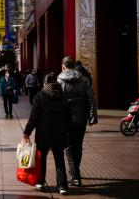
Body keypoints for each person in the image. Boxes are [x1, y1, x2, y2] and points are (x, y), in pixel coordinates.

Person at [23, 73, 70, 195]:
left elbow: (34, 117)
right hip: (59, 133)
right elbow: (68, 117)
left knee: (41, 158)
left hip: (43, 134)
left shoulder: (40, 96)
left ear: (45, 83)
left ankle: (40, 181)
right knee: (59, 159)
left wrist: (26, 132)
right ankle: (62, 186)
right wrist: (67, 131)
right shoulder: (63, 96)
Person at [57, 56, 98, 187]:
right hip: (81, 118)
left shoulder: (59, 80)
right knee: (78, 146)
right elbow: (91, 99)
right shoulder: (84, 79)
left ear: (63, 66)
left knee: (68, 147)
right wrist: (92, 116)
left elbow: (57, 100)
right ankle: (75, 171)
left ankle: (76, 176)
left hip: (65, 118)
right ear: (74, 66)